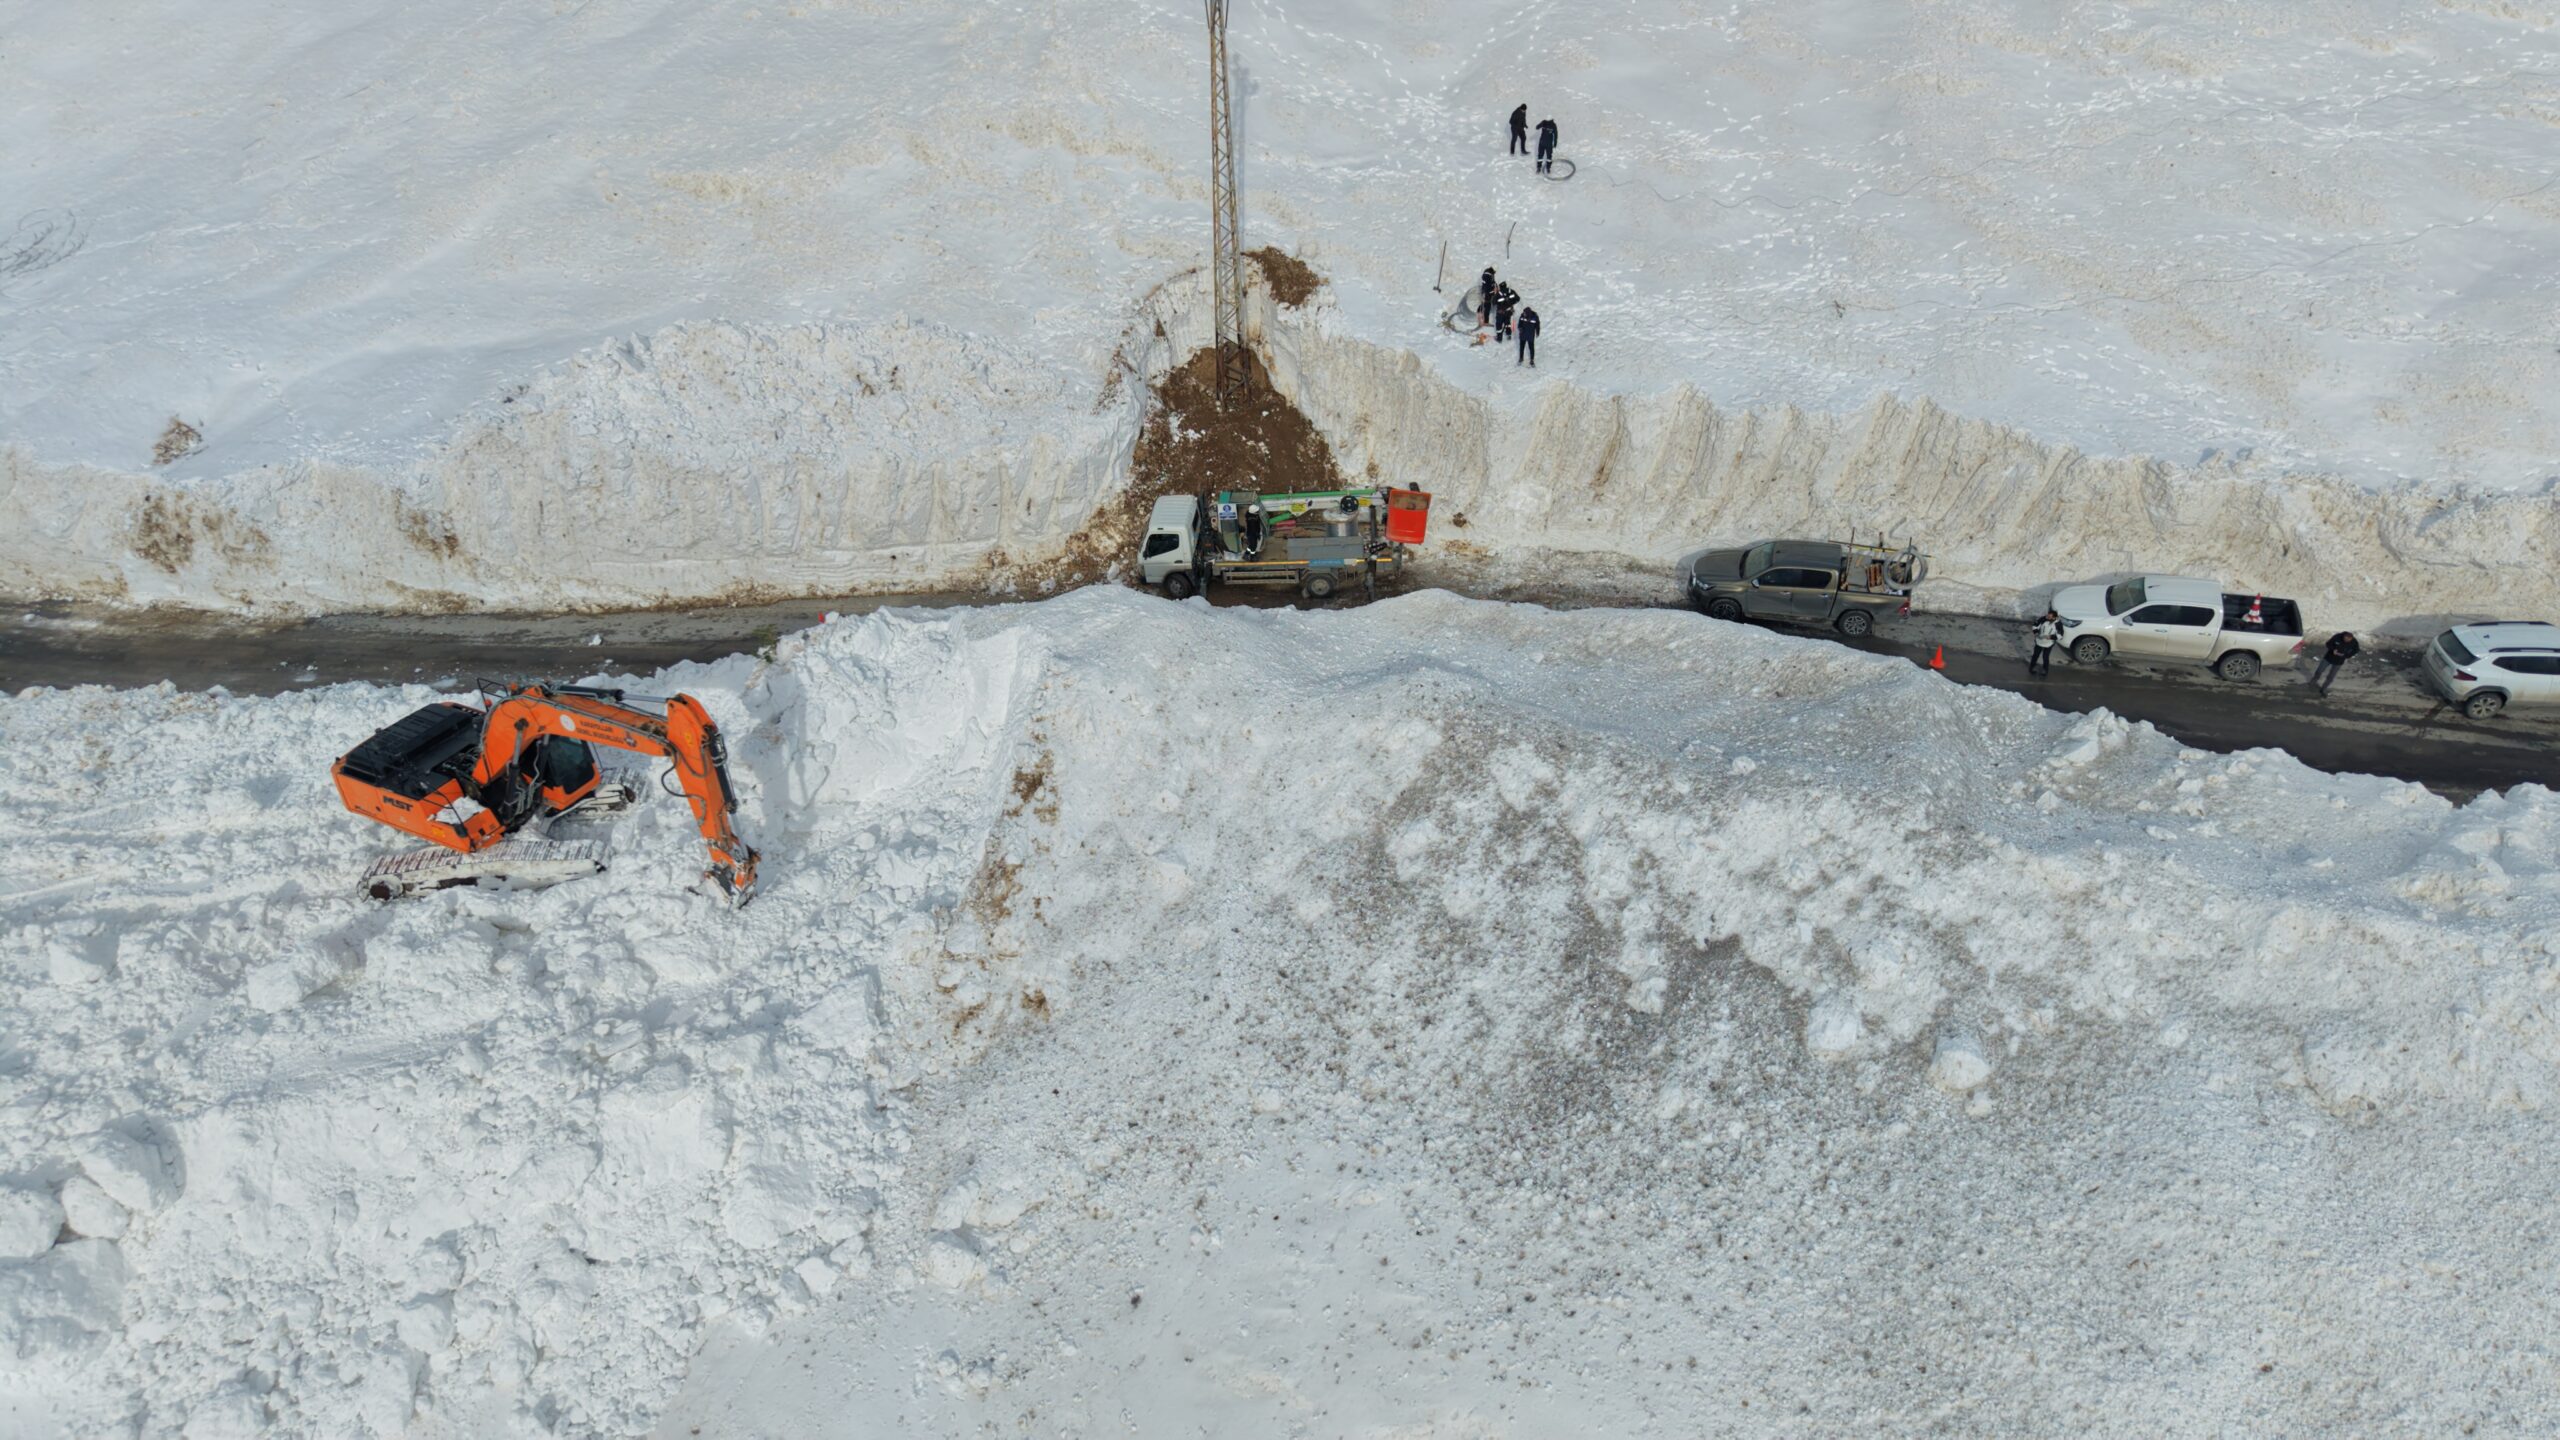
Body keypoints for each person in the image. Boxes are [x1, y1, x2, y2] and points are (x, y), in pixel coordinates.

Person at [2311, 629, 2359, 694]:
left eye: (2348, 640)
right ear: (2344, 636)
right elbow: (2328, 644)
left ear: (2351, 638)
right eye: (2345, 639)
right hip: (2328, 658)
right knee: (2319, 671)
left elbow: (2356, 650)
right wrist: (2333, 649)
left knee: (2331, 677)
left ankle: (2323, 689)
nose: (2346, 640)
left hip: (2339, 661)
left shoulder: (2354, 642)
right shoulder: (2337, 637)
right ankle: (2313, 682)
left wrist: (2347, 655)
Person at [2028, 609, 2061, 677]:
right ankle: (2031, 667)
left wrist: (2051, 637)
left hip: (2049, 643)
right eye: (2047, 615)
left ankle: (2045, 670)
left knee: (2045, 657)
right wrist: (2036, 633)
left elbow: (2060, 635)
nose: (2047, 617)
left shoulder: (2058, 624)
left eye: (2050, 617)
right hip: (2039, 641)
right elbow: (2035, 625)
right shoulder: (2042, 619)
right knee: (2035, 655)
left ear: (2054, 617)